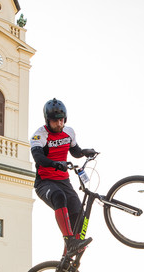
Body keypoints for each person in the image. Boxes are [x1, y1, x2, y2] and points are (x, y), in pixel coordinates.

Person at [30, 98, 97, 254]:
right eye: (55, 121)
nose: (59, 124)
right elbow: (38, 158)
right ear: (48, 121)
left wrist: (84, 152)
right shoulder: (39, 136)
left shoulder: (69, 132)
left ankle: (68, 258)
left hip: (64, 181)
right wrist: (54, 163)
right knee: (59, 197)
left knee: (79, 215)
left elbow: (74, 151)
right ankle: (69, 240)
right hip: (45, 182)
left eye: (61, 120)